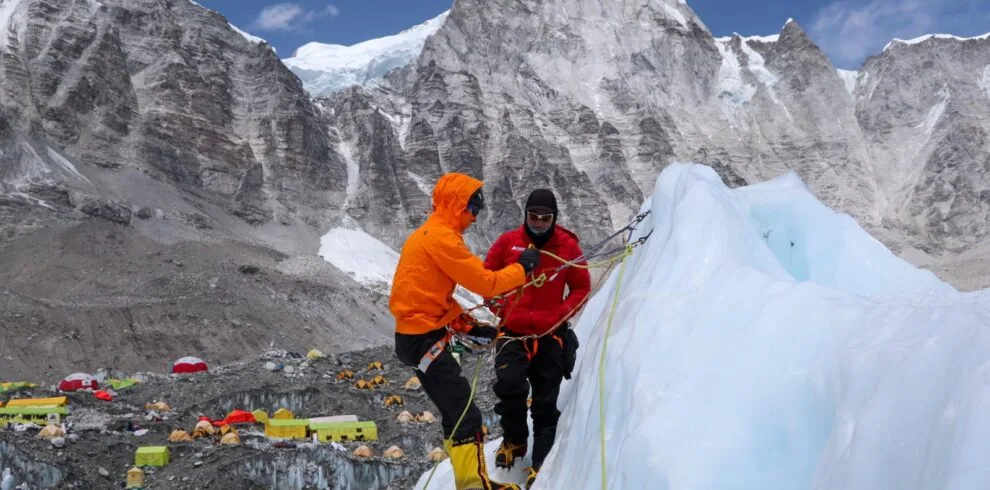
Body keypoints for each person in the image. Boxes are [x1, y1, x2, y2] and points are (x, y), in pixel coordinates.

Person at [390, 172, 541, 490]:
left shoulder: (428, 234)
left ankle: (470, 484)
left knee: (454, 413)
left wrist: (463, 323)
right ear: (460, 206)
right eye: (474, 211)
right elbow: (485, 283)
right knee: (466, 416)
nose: (475, 218)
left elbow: (425, 295)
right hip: (422, 339)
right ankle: (473, 486)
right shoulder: (442, 239)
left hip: (417, 336)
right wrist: (523, 268)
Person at [484, 189, 591, 489]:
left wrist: (562, 313)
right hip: (513, 333)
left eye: (546, 218)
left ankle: (541, 461)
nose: (540, 223)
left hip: (549, 334)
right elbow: (486, 280)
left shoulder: (567, 247)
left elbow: (582, 286)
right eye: (534, 217)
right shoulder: (509, 242)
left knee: (545, 401)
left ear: (555, 218)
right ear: (525, 214)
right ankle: (515, 440)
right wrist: (500, 308)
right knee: (509, 387)